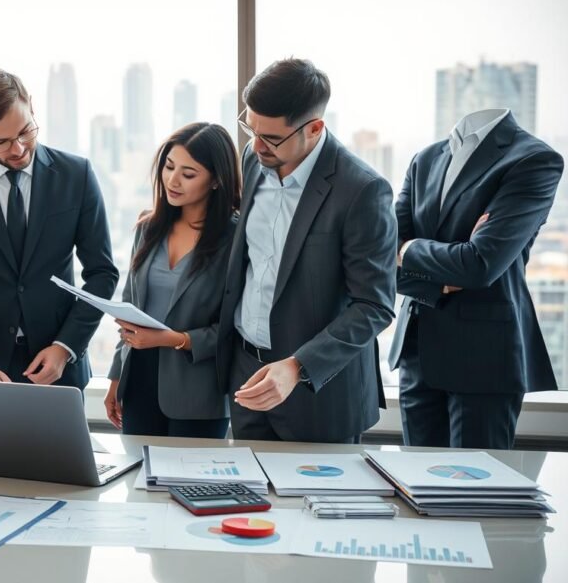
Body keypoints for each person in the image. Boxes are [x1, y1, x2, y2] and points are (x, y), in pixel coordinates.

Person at [219, 59, 397, 444]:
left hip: (320, 391)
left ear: (314, 128)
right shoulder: (254, 158)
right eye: (250, 128)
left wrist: (298, 367)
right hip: (246, 373)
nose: (256, 144)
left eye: (272, 137)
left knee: (312, 504)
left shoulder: (361, 190)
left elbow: (375, 306)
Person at [0, 69, 118, 389]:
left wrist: (64, 348)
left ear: (30, 106)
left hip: (58, 370)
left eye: (25, 132)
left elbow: (102, 273)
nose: (17, 149)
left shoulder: (77, 175)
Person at [390, 109, 564, 449]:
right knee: (416, 491)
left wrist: (408, 248)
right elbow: (380, 255)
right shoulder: (425, 159)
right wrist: (438, 278)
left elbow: (479, 264)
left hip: (483, 360)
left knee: (477, 495)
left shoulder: (534, 160)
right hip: (417, 351)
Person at [104, 122, 241, 438]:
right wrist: (115, 379)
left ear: (217, 181)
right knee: (139, 482)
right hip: (138, 381)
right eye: (168, 167)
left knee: (191, 484)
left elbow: (232, 330)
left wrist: (172, 339)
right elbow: (130, 311)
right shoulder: (147, 229)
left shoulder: (235, 240)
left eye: (188, 174)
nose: (173, 180)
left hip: (198, 392)